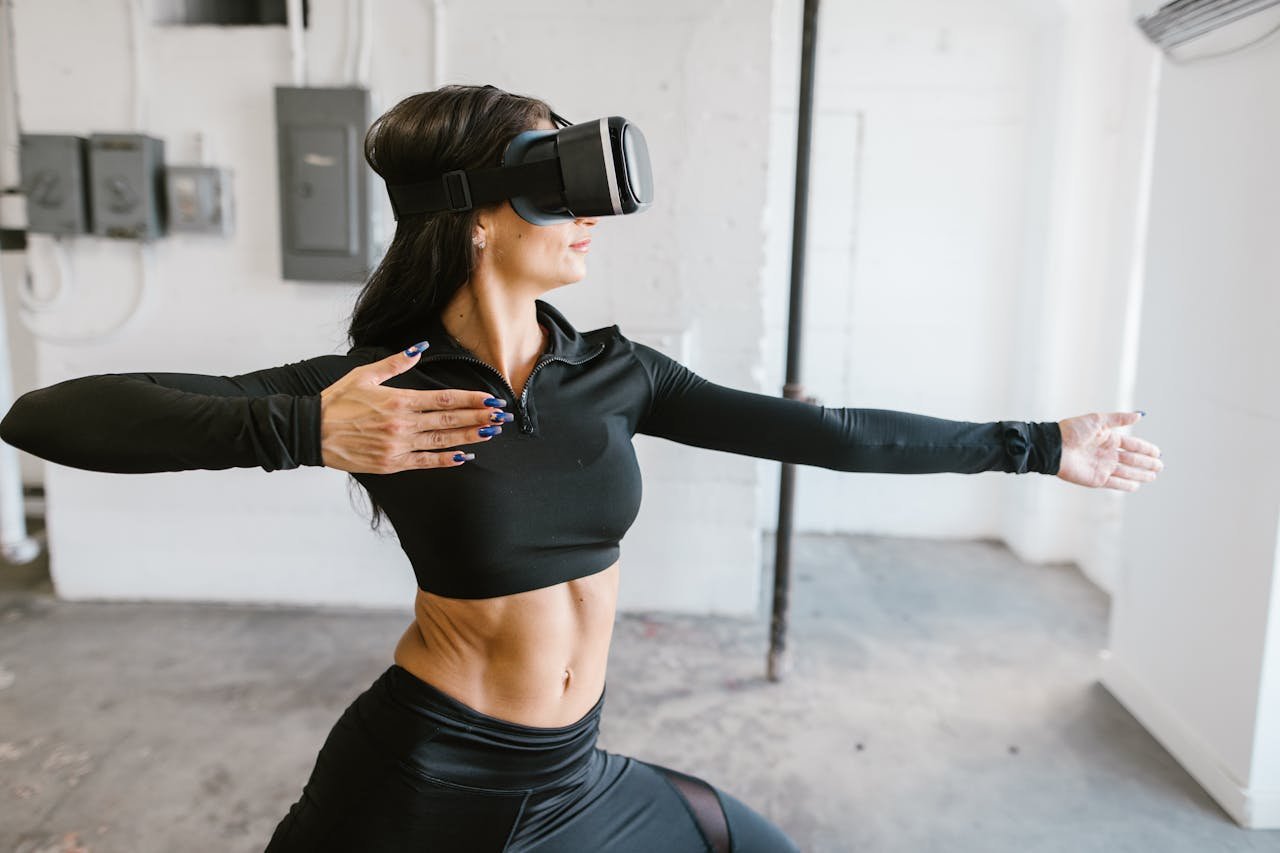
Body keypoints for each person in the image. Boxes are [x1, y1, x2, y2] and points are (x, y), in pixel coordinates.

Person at [0, 84, 1163, 853]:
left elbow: (828, 433)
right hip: (424, 782)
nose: (589, 216)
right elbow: (46, 414)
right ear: (472, 218)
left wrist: (1038, 445)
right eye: (553, 183)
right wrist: (300, 431)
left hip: (573, 769)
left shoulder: (615, 373)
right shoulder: (376, 385)